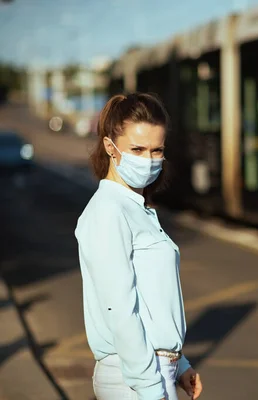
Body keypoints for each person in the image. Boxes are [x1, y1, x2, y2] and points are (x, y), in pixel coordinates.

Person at [74, 92, 202, 399]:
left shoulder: (136, 207)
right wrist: (150, 387)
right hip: (133, 378)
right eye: (138, 149)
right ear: (110, 147)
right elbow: (119, 309)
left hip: (154, 370)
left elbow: (152, 300)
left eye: (157, 150)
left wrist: (179, 363)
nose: (148, 161)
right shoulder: (108, 210)